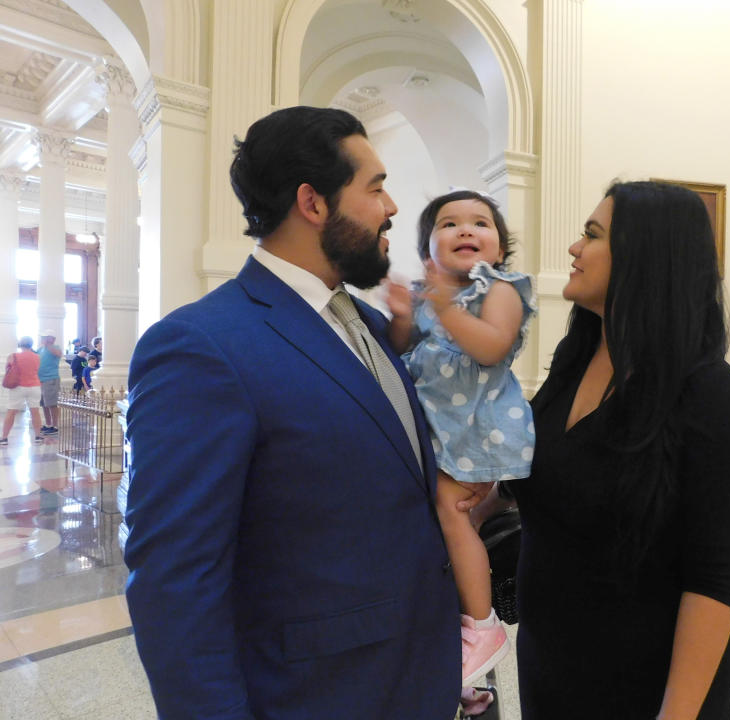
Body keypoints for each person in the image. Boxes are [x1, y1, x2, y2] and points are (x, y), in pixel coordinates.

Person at [123, 106, 464, 719]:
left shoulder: (371, 324)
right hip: (317, 696)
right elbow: (175, 581)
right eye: (376, 187)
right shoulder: (204, 345)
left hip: (414, 677)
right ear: (313, 202)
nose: (391, 208)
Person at [475, 181, 730, 719]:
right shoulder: (575, 356)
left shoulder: (713, 398)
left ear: (646, 256)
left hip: (645, 683)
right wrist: (477, 508)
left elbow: (712, 586)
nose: (574, 248)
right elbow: (545, 472)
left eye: (592, 235)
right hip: (553, 663)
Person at [386, 189, 536, 686]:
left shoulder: (499, 289)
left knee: (452, 514)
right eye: (449, 224)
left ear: (499, 246)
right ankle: (465, 658)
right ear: (428, 247)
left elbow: (492, 347)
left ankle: (483, 626)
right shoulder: (425, 296)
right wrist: (404, 319)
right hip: (436, 431)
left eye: (480, 223)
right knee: (446, 523)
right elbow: (402, 355)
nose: (466, 230)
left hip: (477, 427)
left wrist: (447, 310)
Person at [1, 336, 45, 446]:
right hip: (34, 386)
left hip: (18, 387)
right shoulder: (37, 357)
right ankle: (38, 436)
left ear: (19, 344)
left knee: (11, 411)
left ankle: (4, 438)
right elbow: (38, 370)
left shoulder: (13, 356)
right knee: (35, 411)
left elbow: (8, 369)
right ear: (31, 344)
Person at [37, 330, 62, 434]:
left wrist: (49, 345)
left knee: (52, 403)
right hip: (40, 379)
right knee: (44, 404)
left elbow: (59, 354)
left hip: (51, 378)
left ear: (52, 338)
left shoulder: (55, 348)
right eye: (43, 337)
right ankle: (48, 424)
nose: (43, 339)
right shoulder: (40, 349)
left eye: (46, 337)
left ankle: (55, 426)